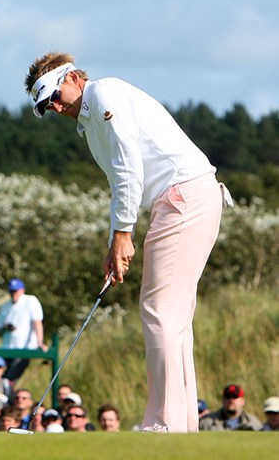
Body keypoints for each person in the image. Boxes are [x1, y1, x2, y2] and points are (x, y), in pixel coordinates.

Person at [26, 52, 231, 433]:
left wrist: (124, 236)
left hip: (184, 196)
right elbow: (119, 185)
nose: (54, 107)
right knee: (174, 318)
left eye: (54, 96)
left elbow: (128, 167)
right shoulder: (90, 124)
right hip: (184, 199)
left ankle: (165, 422)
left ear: (72, 77)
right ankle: (183, 423)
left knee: (158, 310)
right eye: (46, 105)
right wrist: (114, 243)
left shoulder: (105, 94)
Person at [0, 278, 47, 381]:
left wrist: (40, 342)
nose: (13, 293)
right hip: (6, 350)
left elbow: (37, 322)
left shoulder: (30, 301)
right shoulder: (5, 307)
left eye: (16, 290)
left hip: (23, 349)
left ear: (22, 290)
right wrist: (5, 327)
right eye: (11, 291)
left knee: (9, 380)